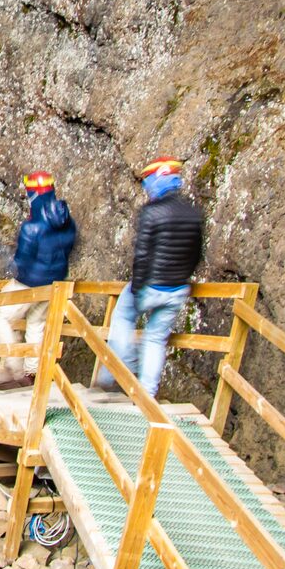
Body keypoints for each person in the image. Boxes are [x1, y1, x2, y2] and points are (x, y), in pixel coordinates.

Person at [97, 156, 204, 398]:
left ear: (157, 180)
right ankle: (147, 396)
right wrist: (182, 278)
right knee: (155, 339)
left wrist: (137, 288)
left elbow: (143, 253)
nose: (146, 186)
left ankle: (114, 372)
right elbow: (197, 252)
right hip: (177, 288)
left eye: (147, 180)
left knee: (123, 316)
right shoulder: (193, 212)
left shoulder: (152, 211)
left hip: (150, 284)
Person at [0, 171, 77, 391]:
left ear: (32, 193)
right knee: (36, 324)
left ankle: (15, 368)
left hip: (30, 282)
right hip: (54, 283)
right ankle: (33, 372)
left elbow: (22, 260)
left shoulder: (32, 227)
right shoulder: (68, 222)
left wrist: (8, 258)